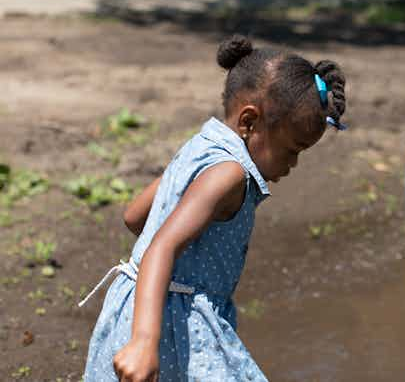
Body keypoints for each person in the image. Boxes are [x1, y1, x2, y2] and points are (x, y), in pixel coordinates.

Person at [80, 34, 347, 381]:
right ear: (249, 123)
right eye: (293, 149)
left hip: (135, 306)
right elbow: (162, 245)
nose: (293, 164)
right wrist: (145, 340)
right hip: (171, 322)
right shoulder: (229, 174)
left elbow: (135, 217)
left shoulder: (200, 145)